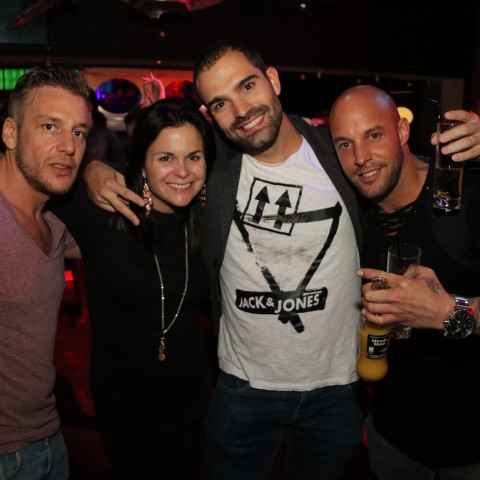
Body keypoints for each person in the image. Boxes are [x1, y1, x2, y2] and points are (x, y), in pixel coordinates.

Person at [51, 98, 214, 480]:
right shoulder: (105, 209)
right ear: (141, 163)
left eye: (194, 157)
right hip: (126, 410)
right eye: (165, 158)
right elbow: (28, 182)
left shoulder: (210, 220)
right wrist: (90, 169)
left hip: (194, 405)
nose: (182, 171)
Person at [329, 84, 480, 479]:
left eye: (373, 135)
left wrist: (449, 312)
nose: (360, 157)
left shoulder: (463, 198)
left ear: (401, 131)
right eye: (345, 144)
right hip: (393, 441)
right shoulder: (355, 214)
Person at [0, 67, 92, 479]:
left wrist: (98, 172)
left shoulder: (53, 225)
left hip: (49, 441)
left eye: (79, 132)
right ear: (11, 133)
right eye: (50, 126)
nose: (69, 146)